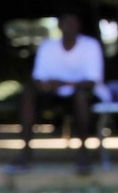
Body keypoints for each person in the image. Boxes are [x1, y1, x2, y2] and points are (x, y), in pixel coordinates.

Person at [9, 11, 110, 175]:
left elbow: (92, 81)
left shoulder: (90, 45)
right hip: (54, 96)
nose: (70, 28)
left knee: (81, 96)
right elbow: (38, 78)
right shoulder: (47, 47)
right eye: (67, 24)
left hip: (85, 95)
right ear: (60, 26)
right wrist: (46, 85)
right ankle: (25, 151)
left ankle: (83, 152)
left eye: (74, 24)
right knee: (28, 95)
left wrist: (64, 83)